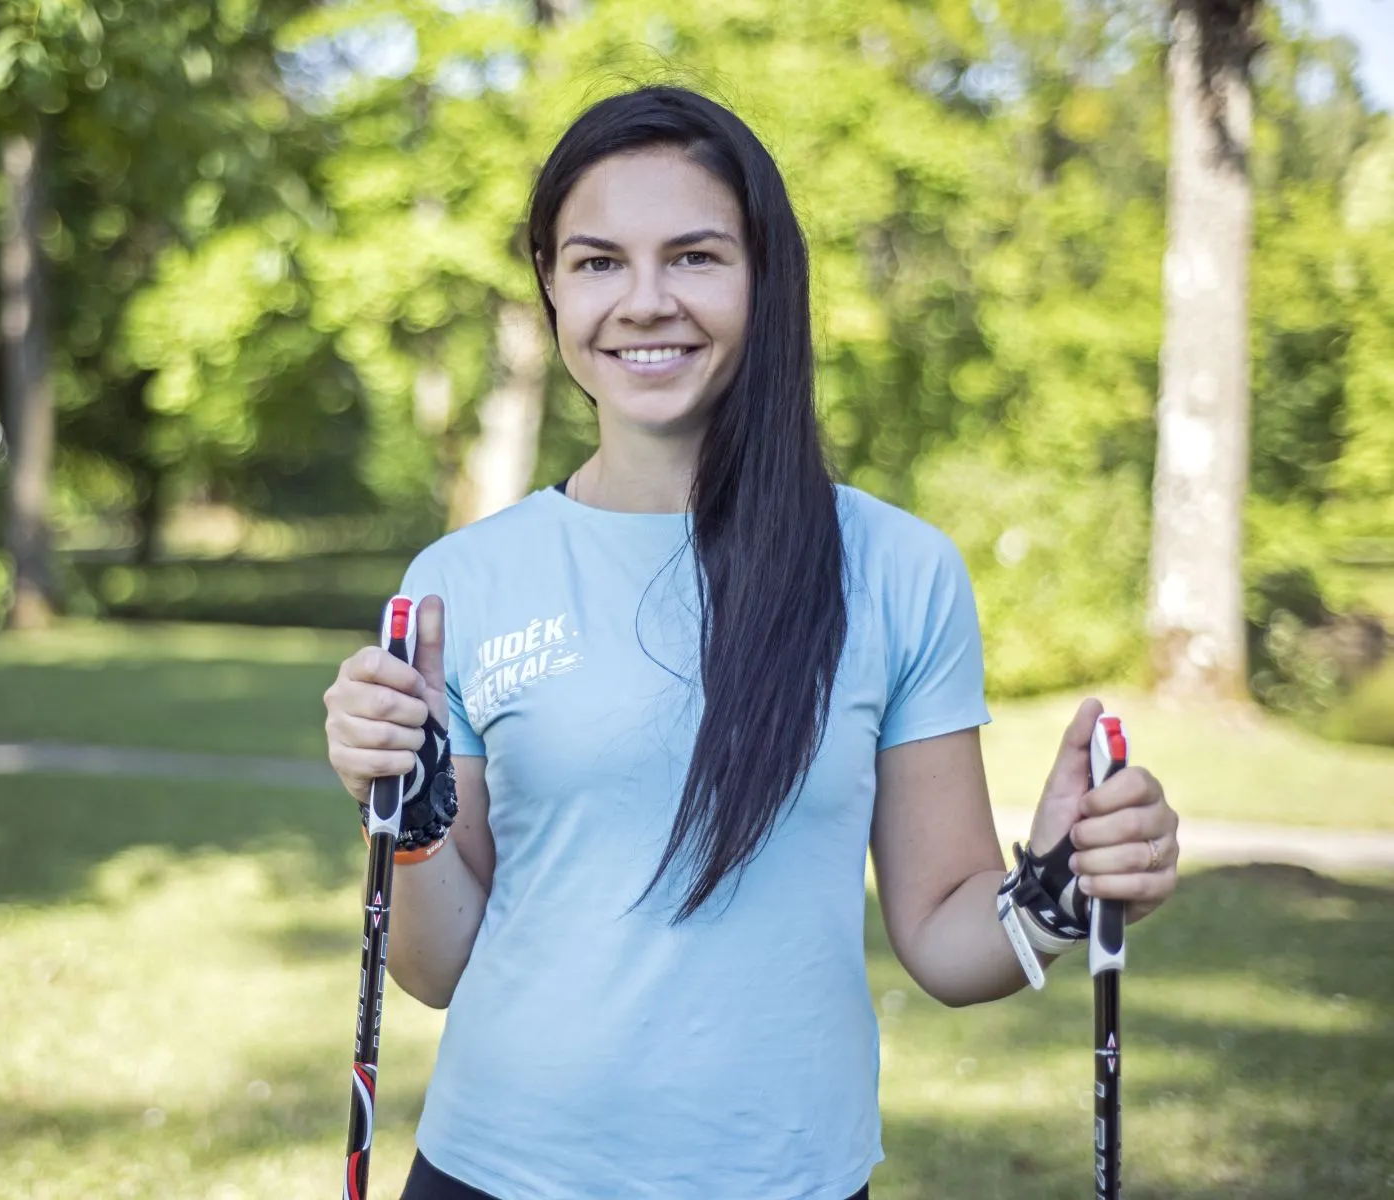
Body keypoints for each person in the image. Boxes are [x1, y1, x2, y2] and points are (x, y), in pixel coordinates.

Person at [321, 85, 1181, 1200]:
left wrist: (1066, 887)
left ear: (764, 277)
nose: (643, 302)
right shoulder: (458, 584)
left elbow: (943, 939)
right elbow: (435, 970)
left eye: (693, 257)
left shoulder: (896, 569)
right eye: (595, 263)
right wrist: (405, 812)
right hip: (495, 1174)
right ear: (547, 282)